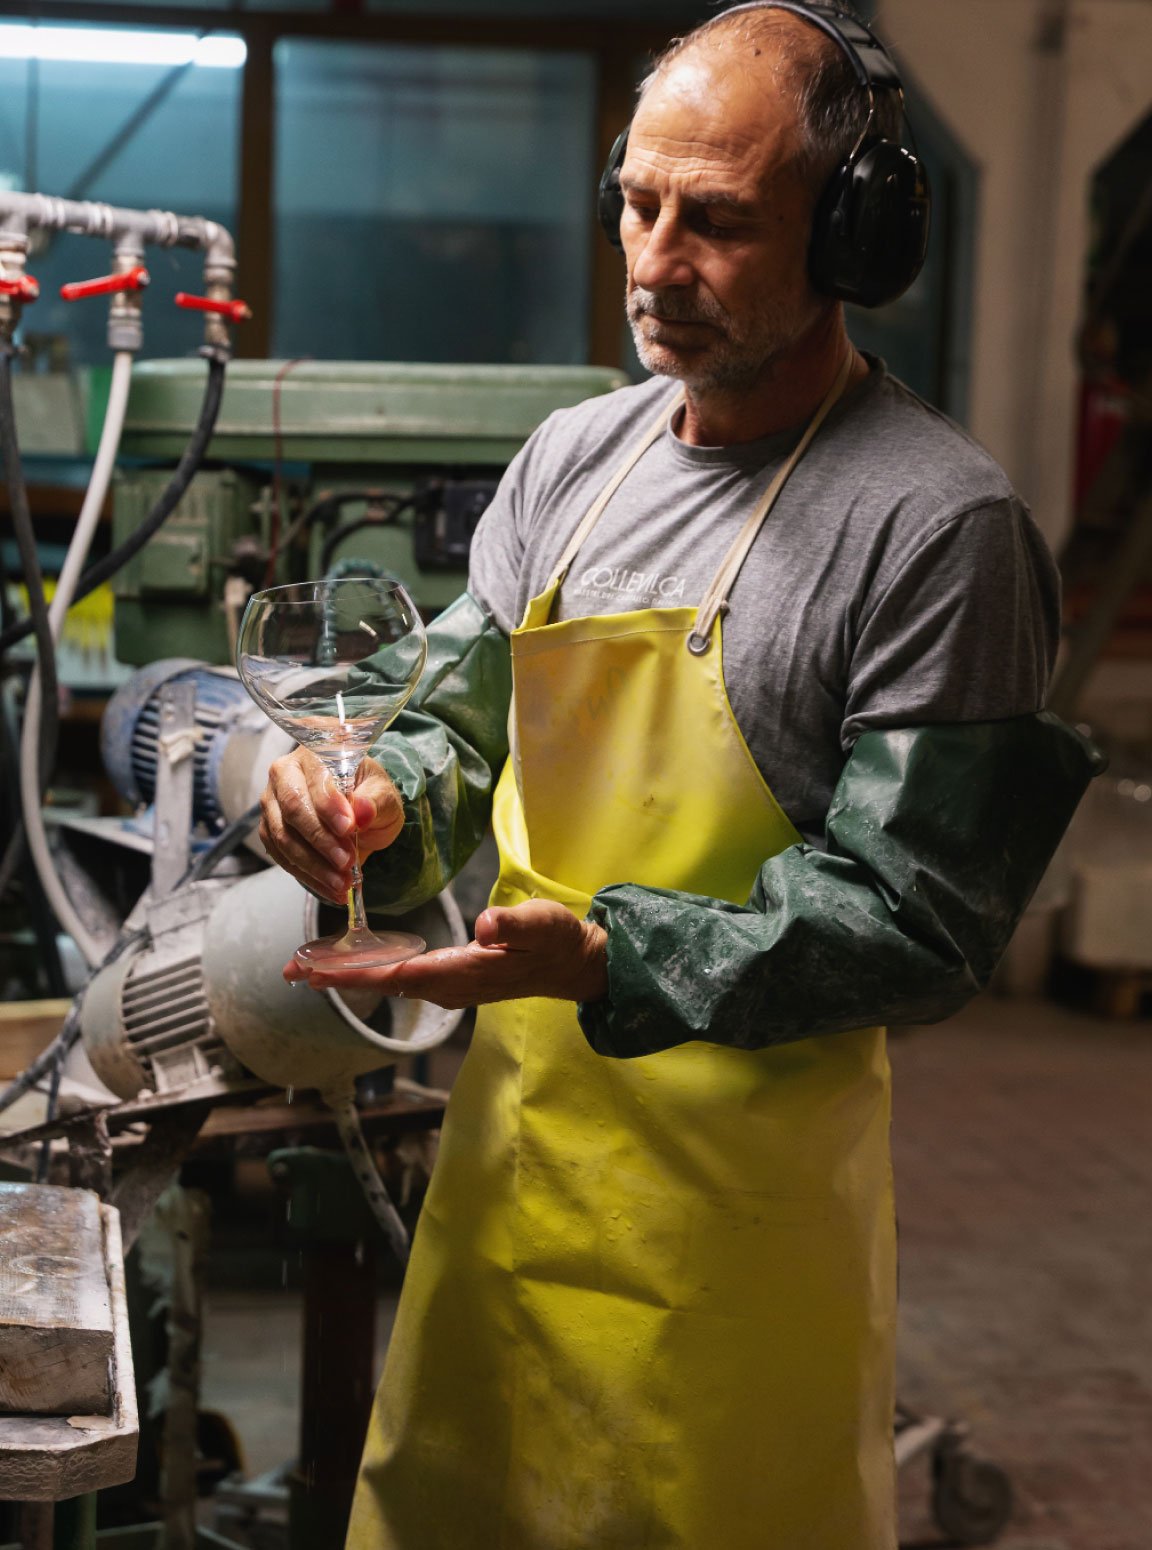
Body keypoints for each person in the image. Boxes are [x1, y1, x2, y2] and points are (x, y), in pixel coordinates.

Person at [258, 4, 1098, 1545]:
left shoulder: (935, 531)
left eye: (717, 223)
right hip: (504, 1188)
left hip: (737, 1253)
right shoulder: (575, 463)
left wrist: (608, 954)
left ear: (853, 236)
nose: (652, 264)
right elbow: (450, 723)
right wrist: (358, 797)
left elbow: (923, 921)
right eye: (637, 205)